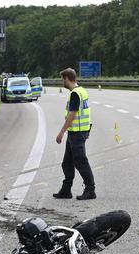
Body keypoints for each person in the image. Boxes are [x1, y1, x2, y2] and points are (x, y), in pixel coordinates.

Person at [53, 67, 96, 200]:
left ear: (67, 78)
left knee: (80, 161)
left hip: (77, 133)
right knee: (67, 162)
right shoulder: (82, 91)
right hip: (76, 132)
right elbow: (87, 113)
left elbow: (72, 115)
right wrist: (88, 129)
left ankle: (90, 190)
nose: (62, 82)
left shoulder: (75, 94)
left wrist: (61, 132)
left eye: (62, 79)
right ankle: (66, 190)